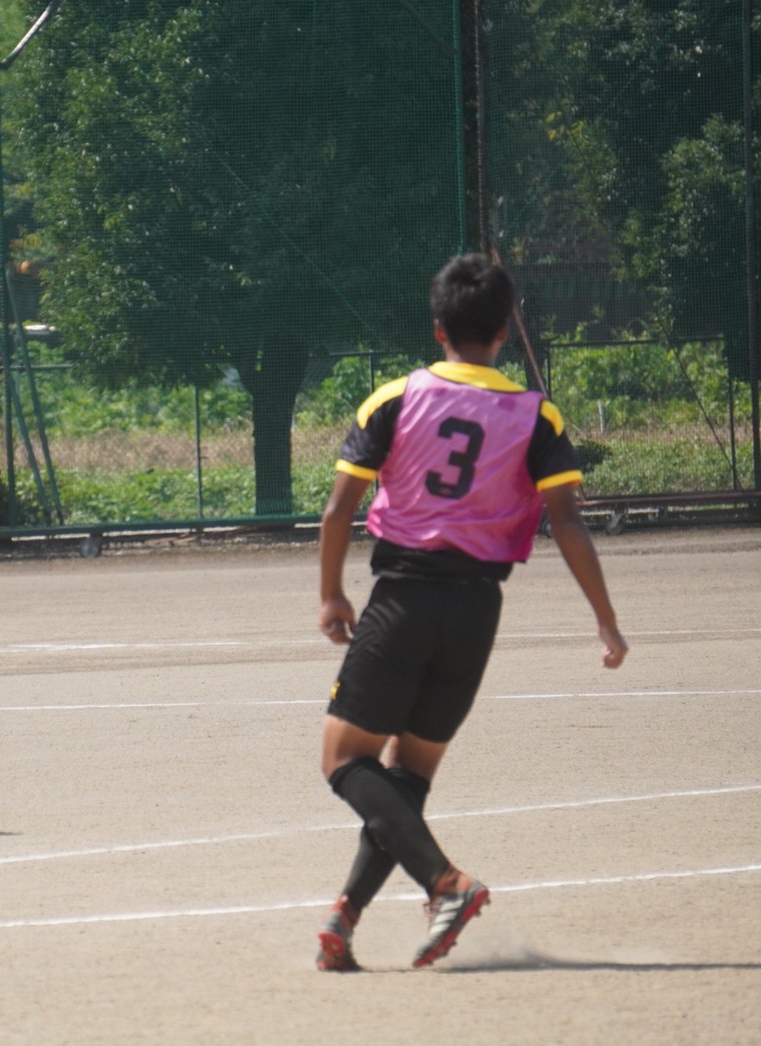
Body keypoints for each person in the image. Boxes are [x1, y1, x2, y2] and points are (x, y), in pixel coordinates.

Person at [314, 253, 628, 971]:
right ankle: (344, 918)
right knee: (409, 775)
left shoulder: (395, 398)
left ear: (438, 329)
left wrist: (332, 592)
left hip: (403, 597)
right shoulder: (534, 412)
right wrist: (605, 620)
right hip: (477, 610)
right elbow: (568, 523)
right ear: (504, 334)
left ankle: (446, 883)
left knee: (343, 759)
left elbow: (339, 510)